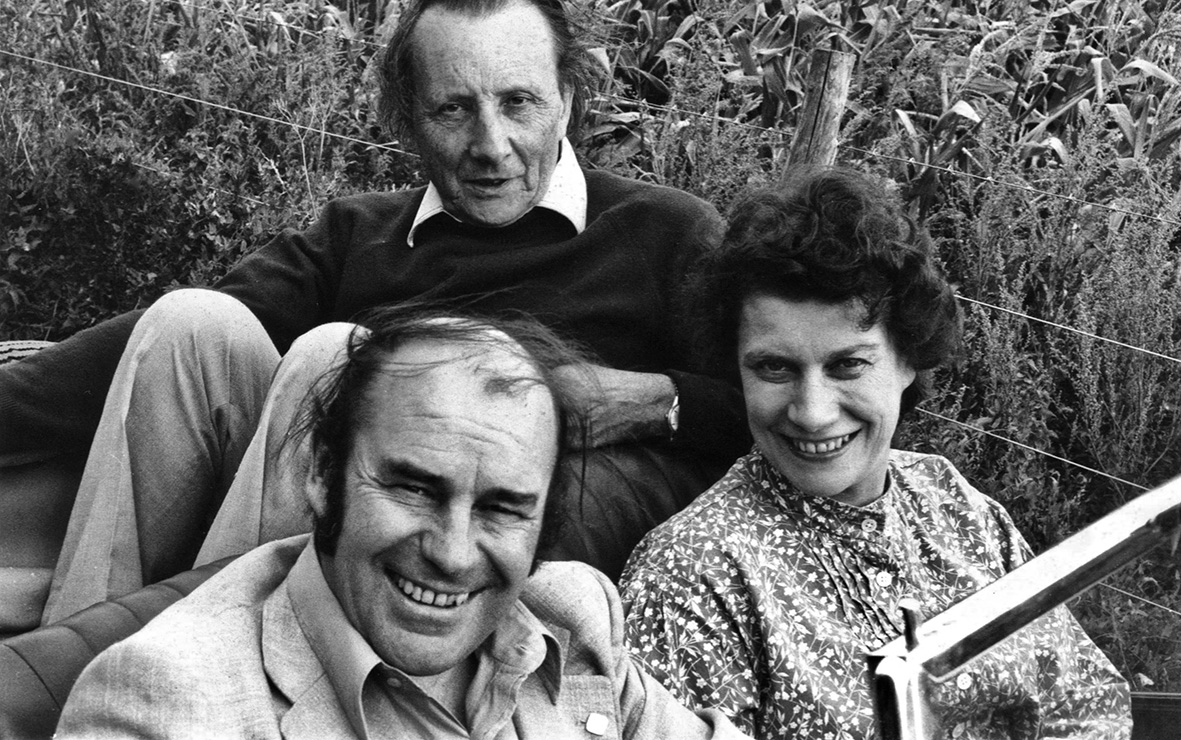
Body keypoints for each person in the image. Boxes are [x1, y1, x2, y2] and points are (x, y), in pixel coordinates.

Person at [3, 0, 748, 624]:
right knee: (195, 320)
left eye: (518, 102)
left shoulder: (667, 232)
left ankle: (231, 673)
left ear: (569, 98)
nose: (491, 146)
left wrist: (653, 399)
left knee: (341, 357)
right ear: (408, 123)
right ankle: (76, 659)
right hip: (297, 514)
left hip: (442, 537)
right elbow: (157, 350)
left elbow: (775, 402)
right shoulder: (357, 233)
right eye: (453, 110)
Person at [55, 307, 752, 739]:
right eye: (415, 489)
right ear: (321, 476)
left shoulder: (573, 622)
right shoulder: (165, 704)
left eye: (502, 508)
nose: (452, 554)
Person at [618, 168, 1132, 739]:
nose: (811, 411)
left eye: (847, 365)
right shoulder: (696, 575)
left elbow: (1084, 700)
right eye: (774, 367)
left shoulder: (959, 508)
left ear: (909, 359)